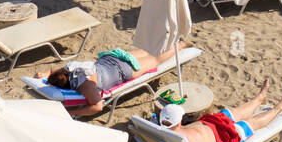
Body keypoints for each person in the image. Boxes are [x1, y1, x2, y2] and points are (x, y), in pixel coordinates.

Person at [158, 79, 282, 142]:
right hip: (224, 140)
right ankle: (279, 108)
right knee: (250, 123)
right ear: (178, 121)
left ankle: (259, 99)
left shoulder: (160, 132)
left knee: (233, 112)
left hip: (212, 125)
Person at [39, 43, 190, 118]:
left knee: (156, 59)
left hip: (124, 71)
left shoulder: (85, 86)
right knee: (147, 50)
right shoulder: (69, 67)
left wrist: (72, 112)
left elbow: (98, 107)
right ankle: (169, 40)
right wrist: (41, 76)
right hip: (112, 58)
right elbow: (47, 73)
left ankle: (181, 45)